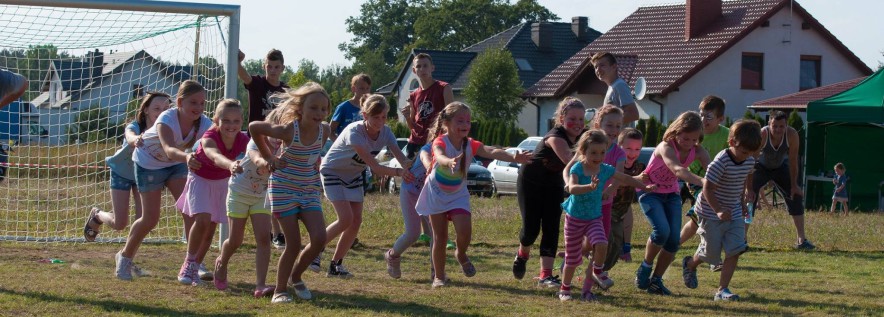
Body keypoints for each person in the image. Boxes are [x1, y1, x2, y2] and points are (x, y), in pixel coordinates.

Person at [415, 102, 531, 289]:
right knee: (440, 237)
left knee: (465, 232)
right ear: (446, 123)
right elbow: (439, 154)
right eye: (460, 120)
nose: (465, 125)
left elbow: (492, 151)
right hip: (435, 193)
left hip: (457, 195)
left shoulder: (470, 144)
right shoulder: (441, 141)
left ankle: (460, 254)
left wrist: (514, 157)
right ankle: (439, 276)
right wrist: (448, 162)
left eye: (468, 121)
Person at [115, 80, 213, 281]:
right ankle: (124, 258)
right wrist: (187, 157)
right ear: (180, 102)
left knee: (190, 212)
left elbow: (214, 144)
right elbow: (168, 148)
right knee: (150, 219)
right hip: (148, 163)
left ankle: (193, 263)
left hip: (176, 164)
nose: (199, 108)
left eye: (202, 103)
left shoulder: (204, 123)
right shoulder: (166, 118)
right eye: (193, 102)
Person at [249, 82, 331, 303]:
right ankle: (280, 290)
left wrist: (316, 161)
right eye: (313, 108)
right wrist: (269, 157)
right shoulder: (288, 130)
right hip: (284, 188)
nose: (319, 113)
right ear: (301, 109)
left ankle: (296, 276)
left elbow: (314, 154)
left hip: (308, 189)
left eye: (323, 109)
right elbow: (255, 128)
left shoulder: (325, 130)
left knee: (319, 238)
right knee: (293, 243)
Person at [316, 94, 413, 279]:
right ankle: (315, 250)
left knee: (355, 222)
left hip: (353, 175)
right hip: (333, 171)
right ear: (364, 115)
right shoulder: (355, 131)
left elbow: (402, 159)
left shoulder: (385, 132)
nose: (380, 121)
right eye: (375, 117)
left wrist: (416, 165)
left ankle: (336, 265)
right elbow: (375, 168)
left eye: (384, 117)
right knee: (345, 219)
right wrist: (401, 173)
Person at [558, 130, 655, 302]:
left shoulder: (605, 169)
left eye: (602, 152)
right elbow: (571, 188)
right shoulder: (578, 168)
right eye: (593, 152)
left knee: (602, 243)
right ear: (583, 152)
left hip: (594, 218)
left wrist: (643, 187)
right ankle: (564, 288)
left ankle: (596, 272)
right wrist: (589, 187)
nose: (598, 156)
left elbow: (625, 177)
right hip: (575, 219)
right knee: (572, 260)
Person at [681, 120, 763, 301]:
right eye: (744, 152)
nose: (747, 156)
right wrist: (718, 210)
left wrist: (742, 201)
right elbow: (707, 189)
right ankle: (690, 264)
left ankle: (722, 290)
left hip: (733, 211)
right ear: (732, 142)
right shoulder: (719, 163)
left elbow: (744, 177)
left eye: (751, 153)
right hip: (710, 212)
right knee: (711, 254)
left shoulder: (748, 160)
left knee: (735, 249)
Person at [512, 97, 586, 287]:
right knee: (531, 229)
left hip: (554, 185)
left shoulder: (584, 136)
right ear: (562, 119)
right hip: (531, 183)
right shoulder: (555, 136)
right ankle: (522, 254)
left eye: (581, 119)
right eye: (572, 118)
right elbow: (570, 161)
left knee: (551, 228)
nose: (577, 124)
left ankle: (545, 275)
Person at [635, 111, 710, 295]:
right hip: (650, 192)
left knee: (673, 241)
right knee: (662, 232)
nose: (690, 143)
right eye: (685, 138)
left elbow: (712, 169)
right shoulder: (665, 147)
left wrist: (718, 182)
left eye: (694, 139)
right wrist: (704, 181)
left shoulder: (698, 150)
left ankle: (656, 281)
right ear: (676, 132)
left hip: (672, 195)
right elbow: (677, 170)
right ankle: (645, 266)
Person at [175, 99, 249, 286]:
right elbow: (214, 155)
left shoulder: (244, 140)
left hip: (222, 183)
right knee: (202, 220)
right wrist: (231, 164)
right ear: (216, 120)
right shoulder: (209, 136)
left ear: (242, 121)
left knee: (210, 230)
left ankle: (196, 266)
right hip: (200, 180)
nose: (231, 125)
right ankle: (189, 263)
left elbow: (258, 154)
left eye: (236, 121)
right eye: (226, 120)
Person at [214, 108, 284, 297]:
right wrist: (268, 162)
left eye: (282, 131)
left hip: (261, 196)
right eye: (275, 130)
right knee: (235, 240)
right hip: (239, 192)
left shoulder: (286, 146)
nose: (277, 137)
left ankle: (260, 285)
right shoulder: (256, 140)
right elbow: (257, 158)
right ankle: (222, 261)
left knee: (264, 238)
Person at [85, 92, 170, 242]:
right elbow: (129, 134)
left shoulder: (167, 130)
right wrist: (135, 139)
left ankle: (128, 257)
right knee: (120, 223)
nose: (161, 112)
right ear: (146, 110)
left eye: (165, 108)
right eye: (156, 108)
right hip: (121, 172)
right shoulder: (136, 126)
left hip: (142, 175)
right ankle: (97, 215)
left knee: (144, 220)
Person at [238, 48, 289, 249]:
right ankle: (248, 229)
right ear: (264, 66)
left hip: (276, 143)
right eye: (269, 66)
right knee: (253, 185)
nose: (273, 70)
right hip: (257, 142)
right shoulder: (258, 83)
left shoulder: (286, 91)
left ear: (283, 68)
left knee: (272, 187)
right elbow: (243, 75)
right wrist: (238, 61)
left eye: (277, 67)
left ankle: (276, 233)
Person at [746, 110, 815, 250]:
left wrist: (794, 185)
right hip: (760, 167)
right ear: (769, 124)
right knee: (749, 200)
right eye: (775, 126)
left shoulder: (792, 135)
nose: (778, 129)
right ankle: (741, 238)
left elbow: (793, 160)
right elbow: (750, 160)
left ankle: (801, 239)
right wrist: (749, 188)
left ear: (786, 125)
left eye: (781, 126)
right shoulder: (762, 135)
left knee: (795, 197)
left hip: (780, 167)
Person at [679, 96, 729, 247]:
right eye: (701, 114)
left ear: (720, 119)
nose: (703, 119)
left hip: (717, 182)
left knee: (700, 219)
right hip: (696, 181)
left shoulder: (727, 135)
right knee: (705, 217)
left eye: (708, 116)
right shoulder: (694, 134)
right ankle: (710, 253)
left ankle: (675, 245)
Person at [384, 134, 433, 279]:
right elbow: (428, 164)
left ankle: (436, 272)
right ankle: (392, 256)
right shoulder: (429, 148)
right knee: (413, 233)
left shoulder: (454, 148)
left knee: (436, 233)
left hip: (428, 194)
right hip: (410, 191)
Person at [604, 128, 646, 271]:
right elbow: (615, 180)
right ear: (619, 146)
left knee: (615, 245)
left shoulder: (639, 166)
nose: (632, 153)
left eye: (637, 149)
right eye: (628, 148)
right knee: (605, 242)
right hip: (604, 208)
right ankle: (577, 253)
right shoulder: (614, 162)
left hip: (622, 208)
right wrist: (637, 180)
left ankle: (624, 250)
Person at [402, 53, 454, 159]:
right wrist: (407, 116)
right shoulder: (413, 95)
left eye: (425, 65)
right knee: (411, 174)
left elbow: (451, 118)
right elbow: (412, 126)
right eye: (418, 66)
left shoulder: (444, 88)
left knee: (433, 174)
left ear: (432, 68)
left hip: (435, 141)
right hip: (415, 143)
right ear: (414, 70)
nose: (422, 69)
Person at [591, 52, 639, 124]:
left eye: (602, 65)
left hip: (621, 135)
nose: (598, 70)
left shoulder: (620, 85)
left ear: (614, 67)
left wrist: (609, 125)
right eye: (596, 67)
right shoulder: (612, 87)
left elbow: (633, 114)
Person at [329, 74, 371, 142]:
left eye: (367, 88)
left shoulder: (371, 108)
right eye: (362, 88)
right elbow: (330, 130)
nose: (365, 92)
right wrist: (339, 144)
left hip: (365, 148)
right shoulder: (343, 107)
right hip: (347, 149)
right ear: (353, 89)